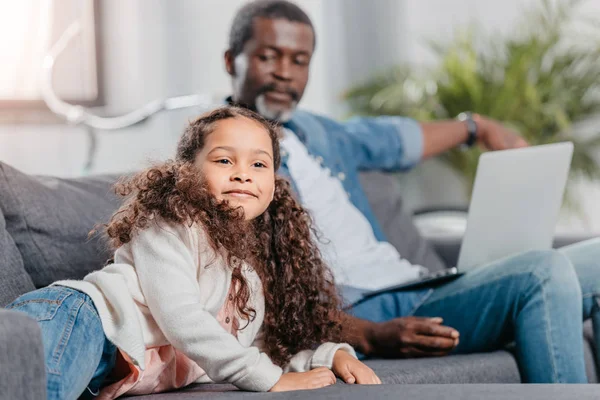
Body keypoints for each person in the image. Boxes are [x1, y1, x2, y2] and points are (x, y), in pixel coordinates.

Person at [223, 0, 600, 383]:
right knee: (542, 270)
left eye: (299, 61)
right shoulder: (223, 163)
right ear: (230, 61)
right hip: (372, 311)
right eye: (269, 57)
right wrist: (369, 335)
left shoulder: (320, 132)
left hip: (420, 286)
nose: (285, 74)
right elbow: (259, 295)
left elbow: (399, 138)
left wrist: (477, 127)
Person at [6, 107, 381, 399]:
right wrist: (268, 381)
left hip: (102, 365)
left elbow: (259, 353)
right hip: (79, 319)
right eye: (223, 160)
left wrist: (329, 357)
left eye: (259, 164)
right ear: (187, 171)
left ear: (274, 185)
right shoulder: (171, 221)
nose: (242, 174)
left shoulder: (247, 279)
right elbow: (182, 318)